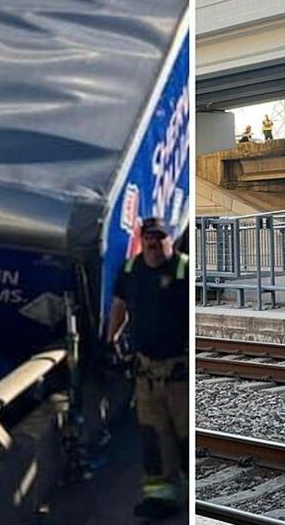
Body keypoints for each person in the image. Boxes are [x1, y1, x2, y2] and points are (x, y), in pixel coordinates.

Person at [105, 217, 189, 520]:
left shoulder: (184, 270)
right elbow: (120, 305)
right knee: (153, 437)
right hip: (147, 374)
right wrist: (110, 339)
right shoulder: (131, 269)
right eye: (148, 238)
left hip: (179, 374)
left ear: (170, 240)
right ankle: (161, 498)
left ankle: (193, 496)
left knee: (184, 438)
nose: (154, 244)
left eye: (159, 238)